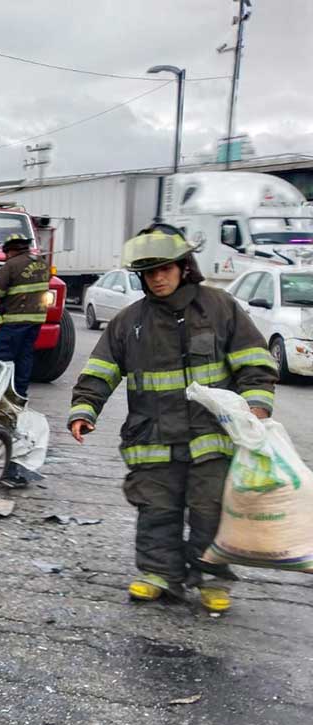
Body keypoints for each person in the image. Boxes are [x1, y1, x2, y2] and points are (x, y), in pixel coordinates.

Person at [68, 223, 278, 612]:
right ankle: (157, 574)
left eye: (164, 268)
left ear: (184, 267)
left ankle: (212, 579)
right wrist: (84, 410)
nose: (157, 278)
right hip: (152, 435)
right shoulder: (129, 321)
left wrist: (256, 407)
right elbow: (100, 370)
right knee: (156, 507)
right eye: (149, 272)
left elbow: (256, 365)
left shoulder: (220, 308)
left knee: (210, 509)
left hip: (212, 436)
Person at [0, 233, 49, 397]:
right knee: (25, 357)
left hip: (14, 320)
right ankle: (20, 393)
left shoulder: (11, 266)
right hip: (36, 320)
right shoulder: (42, 263)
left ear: (10, 251)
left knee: (3, 358)